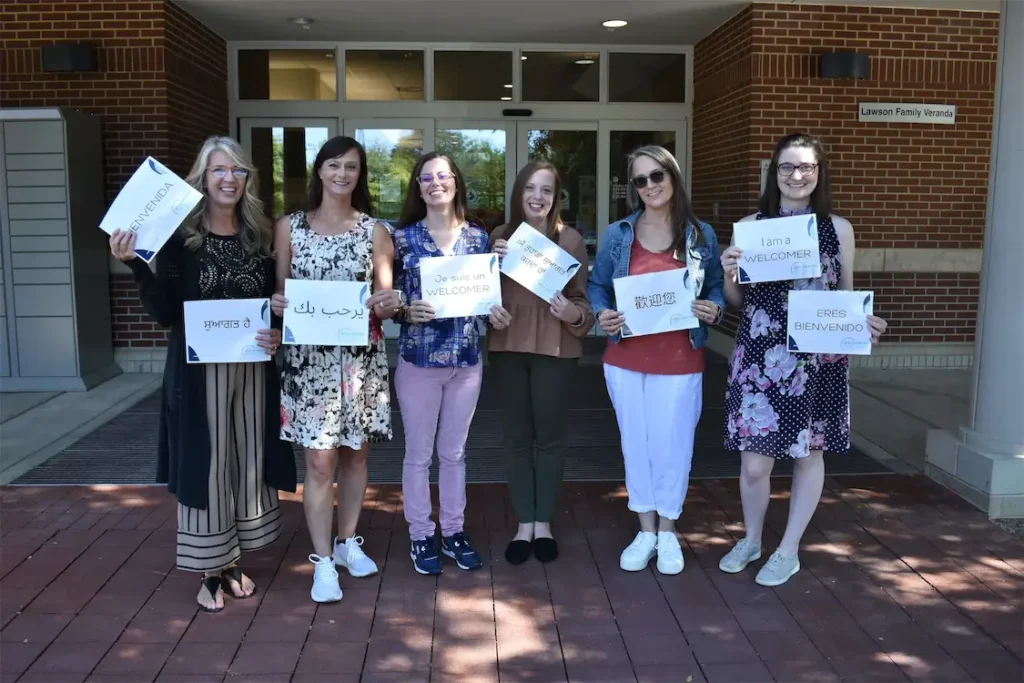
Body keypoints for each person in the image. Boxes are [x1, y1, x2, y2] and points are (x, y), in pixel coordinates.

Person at [109, 136, 296, 612]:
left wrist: (276, 330)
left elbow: (271, 305)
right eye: (218, 171)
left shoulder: (259, 237)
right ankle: (211, 568)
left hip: (253, 369)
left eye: (236, 171)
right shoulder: (179, 238)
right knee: (208, 464)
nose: (228, 179)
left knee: (246, 459)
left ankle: (234, 559)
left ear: (247, 179)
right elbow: (165, 311)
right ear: (202, 178)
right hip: (198, 374)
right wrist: (134, 264)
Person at [718, 132, 887, 586]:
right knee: (755, 463)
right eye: (787, 167)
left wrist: (864, 323)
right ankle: (752, 539)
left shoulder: (839, 229)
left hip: (818, 358)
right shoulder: (750, 226)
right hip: (761, 355)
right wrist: (728, 270)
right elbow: (736, 300)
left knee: (808, 453)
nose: (796, 175)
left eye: (806, 167)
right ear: (774, 174)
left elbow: (846, 293)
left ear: (818, 173)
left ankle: (788, 548)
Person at [269, 136, 401, 603]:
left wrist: (390, 302)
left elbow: (385, 304)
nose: (342, 174)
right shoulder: (290, 227)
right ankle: (322, 561)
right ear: (319, 172)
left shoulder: (376, 232)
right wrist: (278, 303)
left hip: (360, 362)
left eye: (351, 166)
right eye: (334, 165)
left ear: (359, 175)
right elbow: (281, 298)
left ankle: (347, 544)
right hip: (310, 363)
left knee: (357, 455)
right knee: (320, 461)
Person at [587, 145, 725, 575]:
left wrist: (714, 308)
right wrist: (601, 314)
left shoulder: (700, 234)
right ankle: (645, 529)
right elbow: (598, 286)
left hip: (680, 357)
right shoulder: (618, 233)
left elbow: (716, 287)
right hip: (626, 357)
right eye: (641, 180)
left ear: (674, 177)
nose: (650, 186)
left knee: (674, 447)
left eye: (657, 176)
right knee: (637, 445)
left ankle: (668, 530)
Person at [391, 152, 508, 575]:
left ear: (456, 182)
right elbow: (390, 300)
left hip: (466, 361)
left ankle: (453, 530)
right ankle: (421, 534)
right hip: (419, 361)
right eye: (426, 178)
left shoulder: (478, 239)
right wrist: (405, 310)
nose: (435, 183)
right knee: (419, 455)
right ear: (418, 188)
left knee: (455, 453)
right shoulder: (401, 239)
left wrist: (494, 315)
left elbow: (485, 301)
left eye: (443, 176)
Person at [489, 161, 594, 565]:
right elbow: (481, 295)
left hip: (556, 351)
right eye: (530, 188)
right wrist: (489, 305)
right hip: (508, 348)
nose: (537, 197)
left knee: (549, 438)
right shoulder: (499, 237)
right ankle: (524, 523)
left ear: (556, 197)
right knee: (516, 438)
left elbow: (583, 304)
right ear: (518, 193)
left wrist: (572, 313)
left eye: (546, 190)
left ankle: (544, 523)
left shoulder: (570, 241)